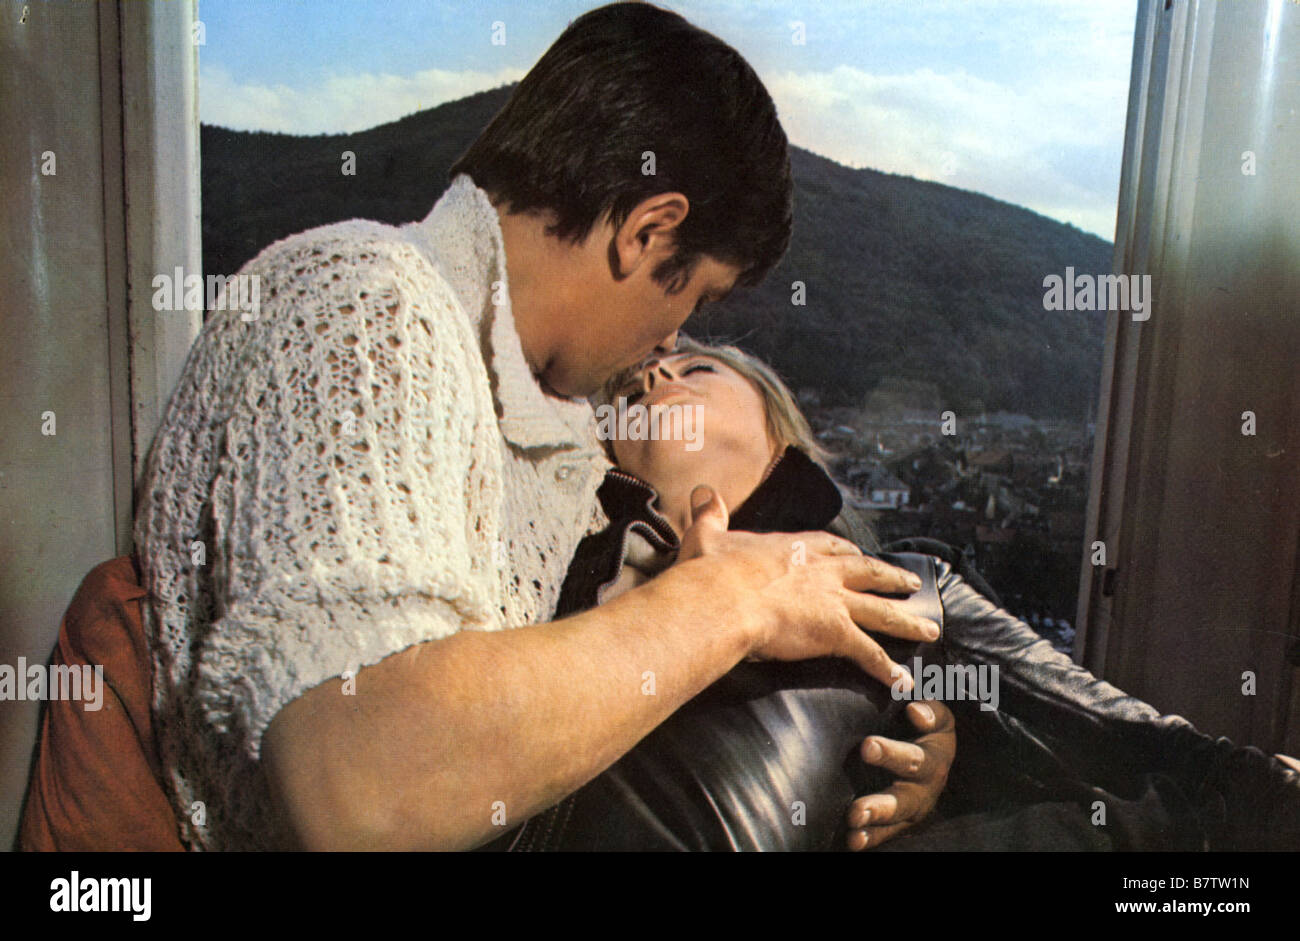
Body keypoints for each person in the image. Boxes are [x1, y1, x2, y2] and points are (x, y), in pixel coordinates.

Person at [129, 3, 936, 851]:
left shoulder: (553, 429)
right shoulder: (363, 304)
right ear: (646, 231)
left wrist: (892, 749)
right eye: (695, 297)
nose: (670, 340)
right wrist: (723, 601)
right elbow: (362, 787)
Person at [502, 336, 1300, 851]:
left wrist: (945, 775)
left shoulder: (904, 590)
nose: (657, 370)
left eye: (698, 367)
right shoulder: (553, 558)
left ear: (781, 441)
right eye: (636, 380)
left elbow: (1109, 737)